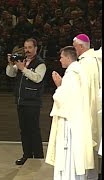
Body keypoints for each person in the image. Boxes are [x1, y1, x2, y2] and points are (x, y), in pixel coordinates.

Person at [45, 46, 95, 179]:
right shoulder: (79, 71)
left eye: (61, 57)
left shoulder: (72, 74)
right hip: (77, 118)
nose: (60, 60)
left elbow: (63, 98)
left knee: (69, 157)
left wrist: (58, 86)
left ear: (68, 57)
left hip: (70, 123)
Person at [6, 38, 46, 165]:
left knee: (33, 129)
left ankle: (38, 155)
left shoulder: (40, 63)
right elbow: (10, 74)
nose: (27, 50)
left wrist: (23, 69)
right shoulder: (21, 60)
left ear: (35, 48)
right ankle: (27, 154)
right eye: (25, 47)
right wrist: (10, 64)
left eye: (29, 47)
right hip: (21, 100)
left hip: (33, 101)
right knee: (24, 129)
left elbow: (37, 78)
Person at [72, 33, 102, 179]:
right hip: (98, 106)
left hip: (87, 107)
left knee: (88, 143)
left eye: (75, 47)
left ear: (82, 46)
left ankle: (89, 176)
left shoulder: (83, 64)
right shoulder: (96, 59)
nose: (74, 50)